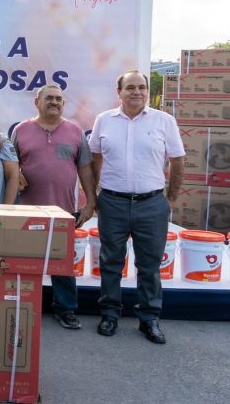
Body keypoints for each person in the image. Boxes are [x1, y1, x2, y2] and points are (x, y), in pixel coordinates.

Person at [89, 70, 184, 344]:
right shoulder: (104, 120)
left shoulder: (164, 121)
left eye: (142, 87)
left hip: (151, 204)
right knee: (110, 262)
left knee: (150, 265)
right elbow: (95, 157)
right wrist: (96, 195)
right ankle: (109, 314)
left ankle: (149, 318)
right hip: (113, 203)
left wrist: (170, 199)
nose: (137, 92)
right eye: (130, 87)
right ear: (118, 91)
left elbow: (177, 160)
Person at [11, 85, 96, 330]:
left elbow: (85, 169)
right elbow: (9, 163)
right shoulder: (21, 130)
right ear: (36, 102)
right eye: (49, 98)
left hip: (64, 211)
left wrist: (90, 202)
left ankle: (65, 308)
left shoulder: (75, 131)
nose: (54, 102)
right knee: (26, 262)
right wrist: (16, 172)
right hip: (27, 210)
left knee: (62, 263)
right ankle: (25, 306)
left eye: (59, 99)